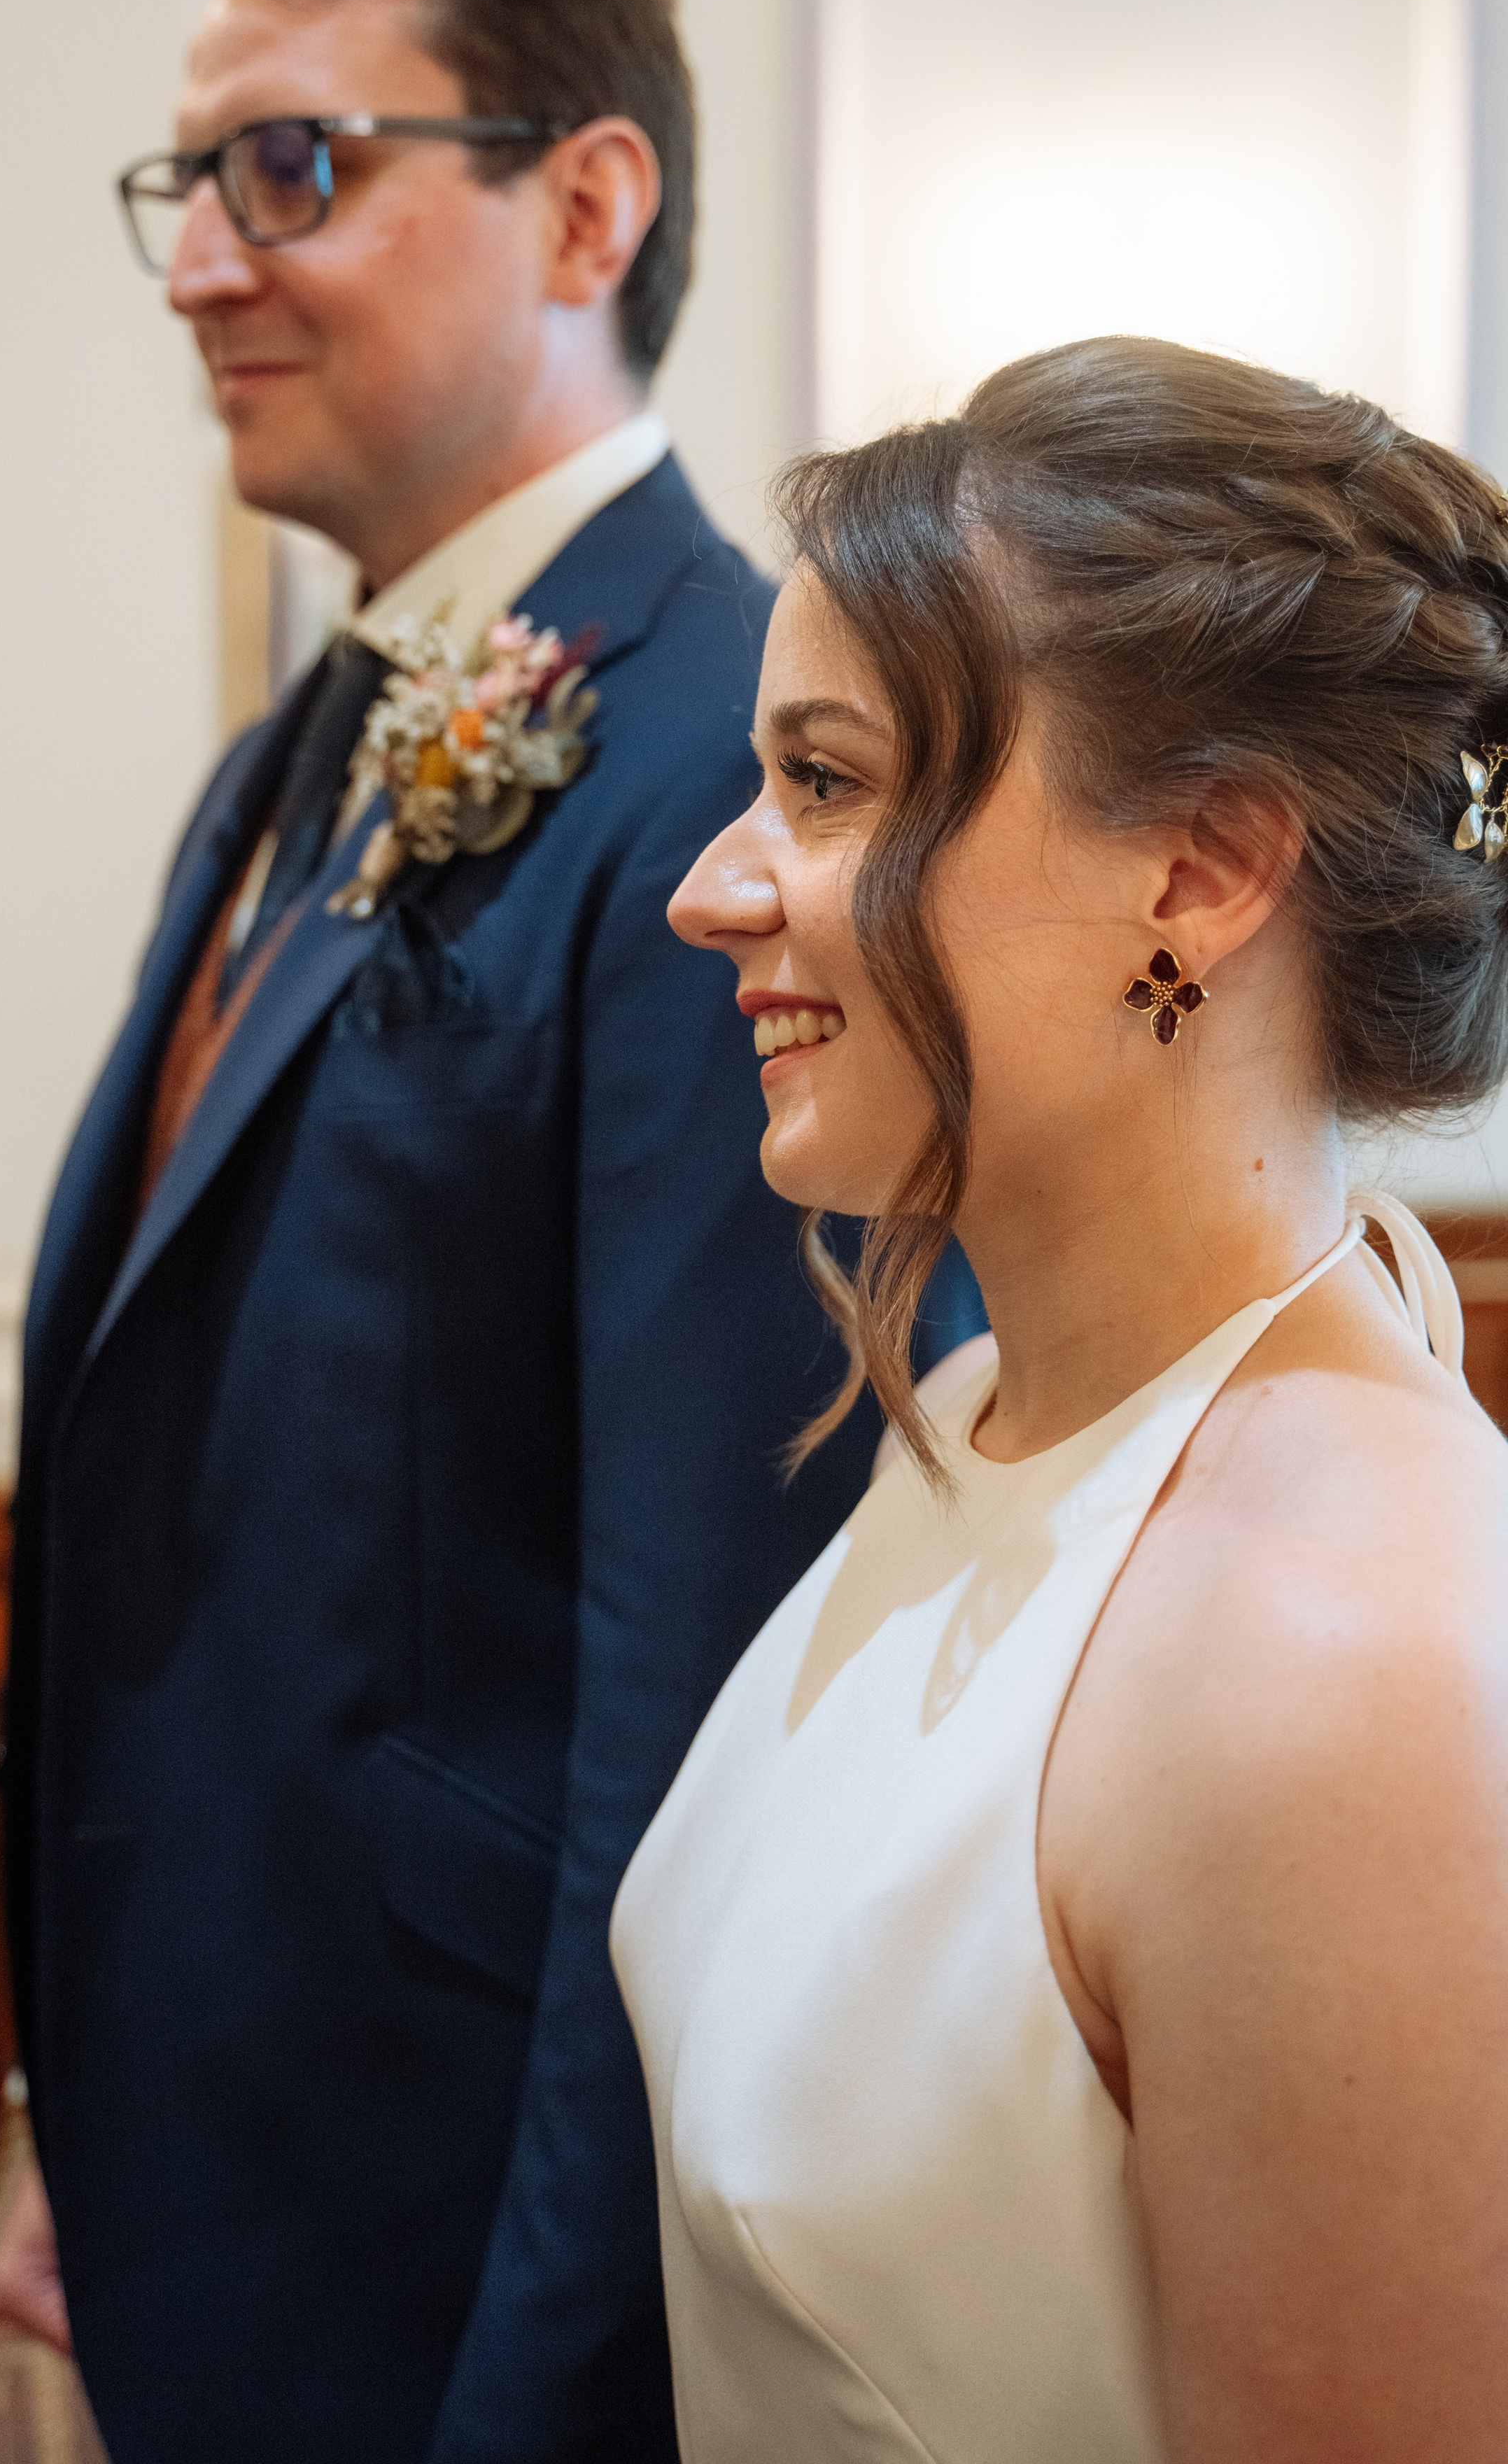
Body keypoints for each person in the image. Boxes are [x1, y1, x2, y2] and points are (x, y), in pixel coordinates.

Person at [0, 0, 981, 2464]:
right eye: (184, 188)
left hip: (464, 2270)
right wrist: (62, 2104)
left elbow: (710, 1721)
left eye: (291, 170)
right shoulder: (296, 754)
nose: (202, 260)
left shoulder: (734, 786)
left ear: (586, 201)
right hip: (221, 2168)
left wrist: (541, 2400)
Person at [612, 335, 1508, 2463]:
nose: (709, 887)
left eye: (824, 784)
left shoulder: (1336, 1676)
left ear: (1195, 872)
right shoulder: (1000, 1410)